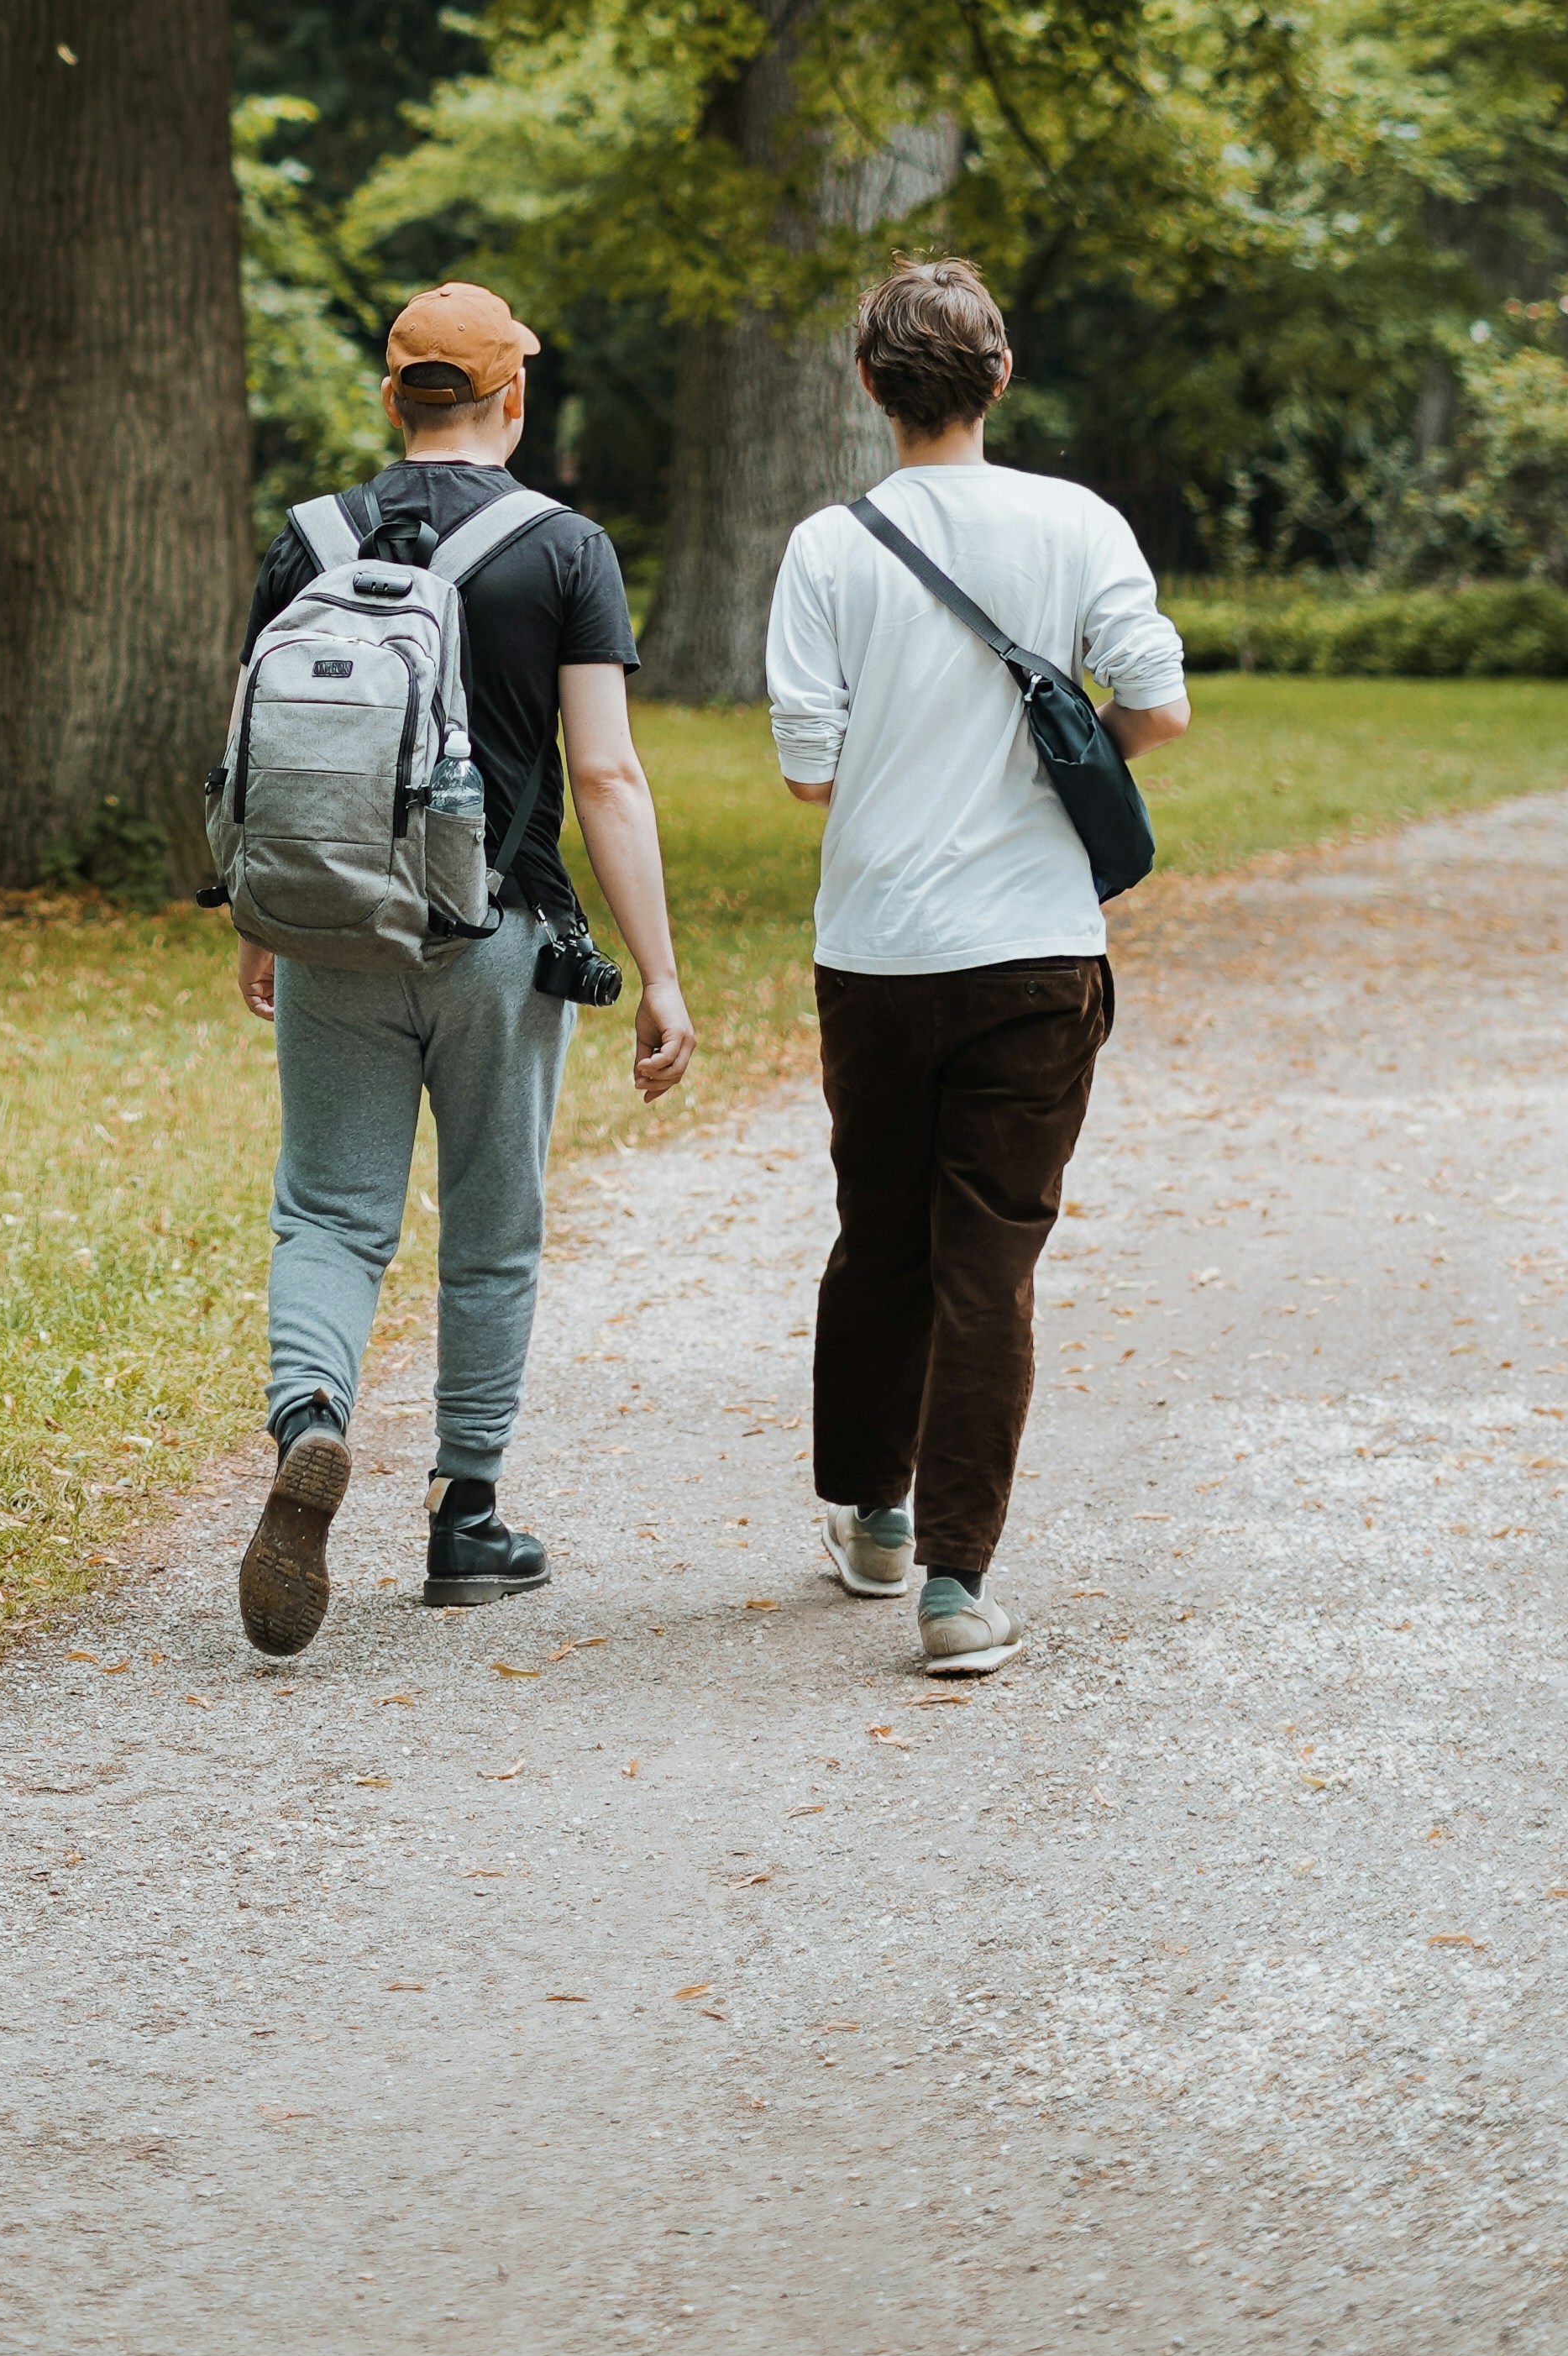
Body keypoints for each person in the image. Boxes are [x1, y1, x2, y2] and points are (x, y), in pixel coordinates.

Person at [232, 279, 695, 1659]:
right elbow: (603, 773)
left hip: (334, 929)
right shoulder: (564, 549)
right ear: (514, 400)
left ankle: (313, 1420)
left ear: (392, 397)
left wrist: (260, 921)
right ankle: (465, 1518)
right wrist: (661, 975)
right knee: (492, 1225)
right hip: (493, 936)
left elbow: (272, 761)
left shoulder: (307, 536)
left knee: (327, 1213)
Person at [765, 255, 1189, 1676]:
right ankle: (957, 1588)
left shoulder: (831, 548)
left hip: (878, 950)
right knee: (988, 1266)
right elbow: (1161, 709)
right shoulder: (1079, 523)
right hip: (1035, 953)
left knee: (877, 1231)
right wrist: (1063, 759)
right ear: (999, 378)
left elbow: (810, 773)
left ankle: (873, 1519)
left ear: (871, 387)